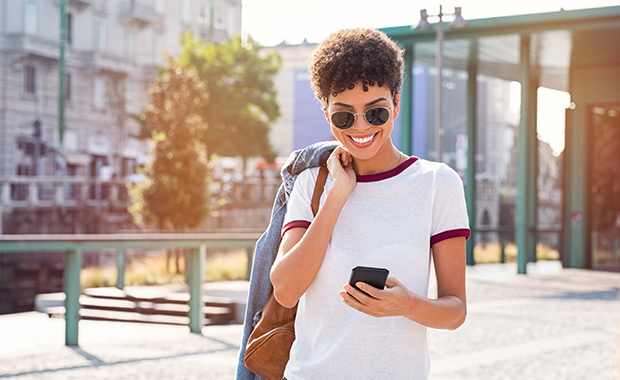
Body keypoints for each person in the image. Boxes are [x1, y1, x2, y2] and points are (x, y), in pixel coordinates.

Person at [269, 28, 470, 380]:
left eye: (375, 113)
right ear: (326, 111)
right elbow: (286, 290)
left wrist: (408, 305)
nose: (361, 127)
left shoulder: (438, 184)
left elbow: (455, 311)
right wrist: (337, 196)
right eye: (344, 116)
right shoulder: (311, 183)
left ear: (395, 103)